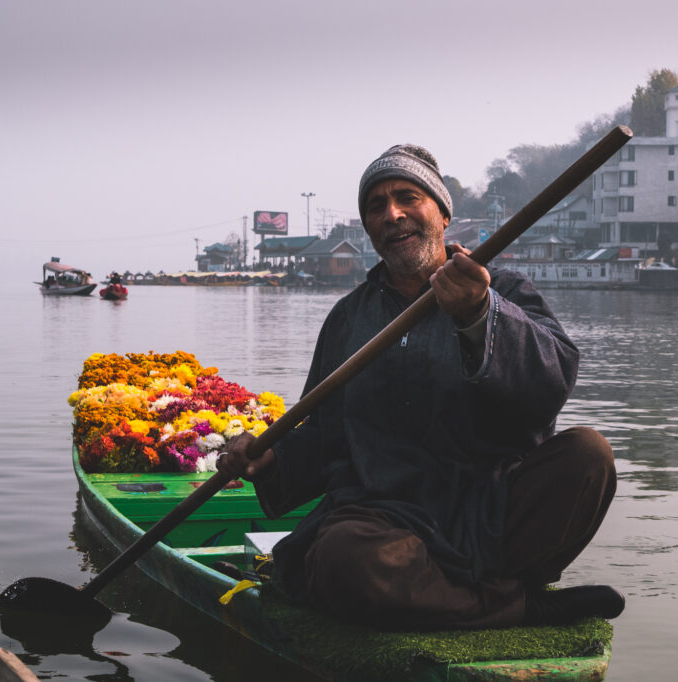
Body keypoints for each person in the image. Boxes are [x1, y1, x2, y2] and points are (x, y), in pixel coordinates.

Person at [219, 144, 624, 630]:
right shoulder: (349, 319)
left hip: (491, 512)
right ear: (368, 228)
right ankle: (519, 607)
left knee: (589, 454)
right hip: (383, 519)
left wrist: (478, 313)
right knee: (344, 557)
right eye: (375, 206)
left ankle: (454, 596)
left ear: (443, 213)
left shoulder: (504, 291)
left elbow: (551, 385)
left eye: (407, 197)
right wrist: (272, 459)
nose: (391, 213)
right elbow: (326, 436)